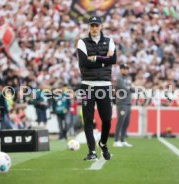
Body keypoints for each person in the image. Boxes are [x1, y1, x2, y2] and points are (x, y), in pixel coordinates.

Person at [77, 15, 117, 161]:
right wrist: (103, 60)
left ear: (101, 26)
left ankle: (103, 143)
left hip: (104, 85)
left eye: (96, 25)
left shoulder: (109, 40)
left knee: (107, 120)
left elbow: (113, 60)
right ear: (89, 26)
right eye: (92, 25)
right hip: (87, 85)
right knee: (88, 119)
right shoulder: (82, 42)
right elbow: (83, 62)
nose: (94, 28)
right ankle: (91, 151)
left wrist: (96, 58)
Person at [113, 64, 134, 147]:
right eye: (124, 69)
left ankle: (122, 140)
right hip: (122, 102)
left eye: (127, 69)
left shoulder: (127, 79)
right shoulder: (119, 79)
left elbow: (130, 88)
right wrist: (132, 89)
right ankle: (116, 140)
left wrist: (132, 89)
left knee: (126, 122)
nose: (126, 70)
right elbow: (126, 90)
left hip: (128, 102)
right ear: (120, 69)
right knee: (120, 121)